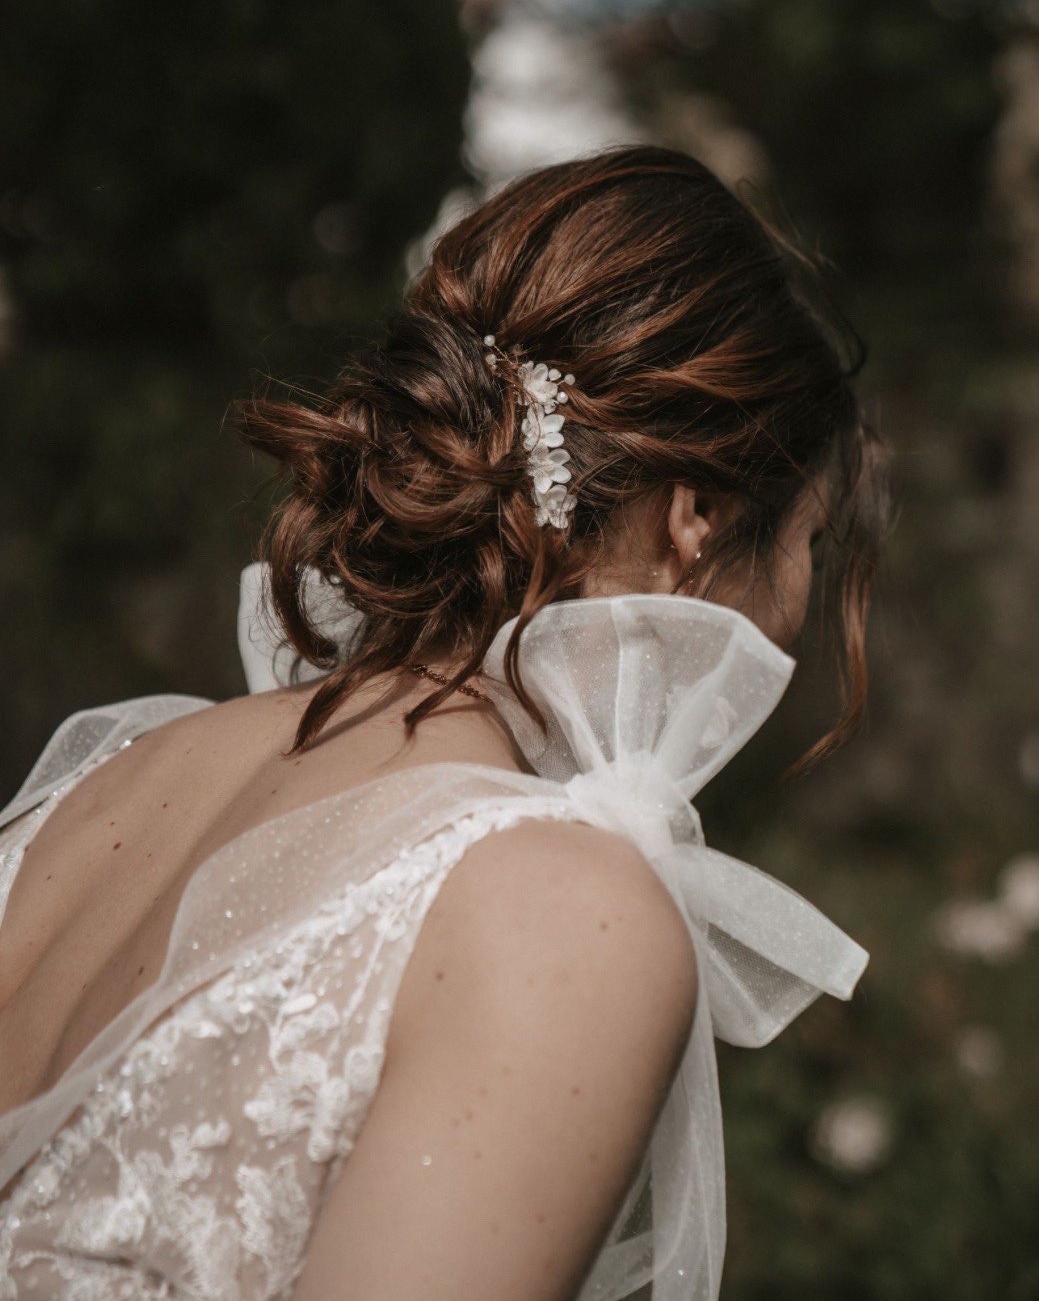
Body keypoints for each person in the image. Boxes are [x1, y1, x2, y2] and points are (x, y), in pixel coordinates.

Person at [0, 146, 889, 1300]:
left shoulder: (110, 783)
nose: (796, 609)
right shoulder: (560, 911)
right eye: (808, 542)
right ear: (698, 517)